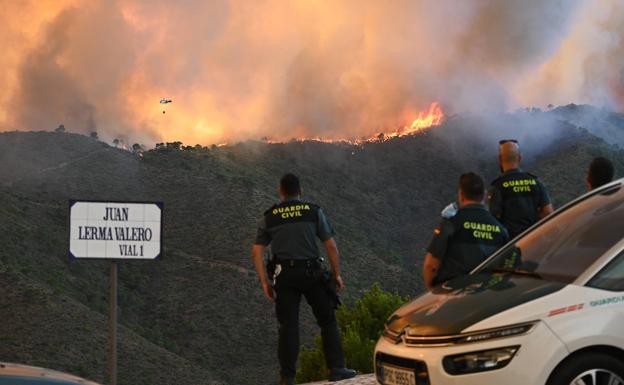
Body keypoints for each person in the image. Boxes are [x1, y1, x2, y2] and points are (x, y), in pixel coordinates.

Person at [251, 173, 356, 385]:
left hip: (285, 277)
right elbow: (331, 246)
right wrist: (336, 274)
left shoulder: (270, 216)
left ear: (280, 191)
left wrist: (264, 282)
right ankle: (336, 368)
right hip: (312, 274)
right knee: (327, 320)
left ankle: (287, 378)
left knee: (288, 326)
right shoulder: (313, 212)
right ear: (301, 191)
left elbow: (257, 251)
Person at [423, 172, 509, 289]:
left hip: (453, 295)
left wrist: (432, 292)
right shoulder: (501, 229)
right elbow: (507, 267)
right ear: (484, 195)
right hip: (486, 297)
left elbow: (430, 266)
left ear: (461, 195)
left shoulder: (451, 224)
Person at [489, 140, 554, 238]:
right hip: (534, 240)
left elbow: (493, 222)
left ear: (500, 159)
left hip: (511, 245)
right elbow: (548, 213)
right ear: (520, 157)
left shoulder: (498, 186)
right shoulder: (535, 182)